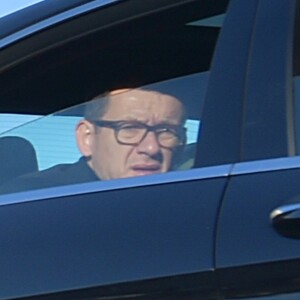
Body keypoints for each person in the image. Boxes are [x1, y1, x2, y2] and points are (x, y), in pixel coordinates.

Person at [0, 88, 186, 194]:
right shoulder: (33, 201)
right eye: (129, 129)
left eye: (166, 131)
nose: (151, 148)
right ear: (86, 138)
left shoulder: (192, 196)